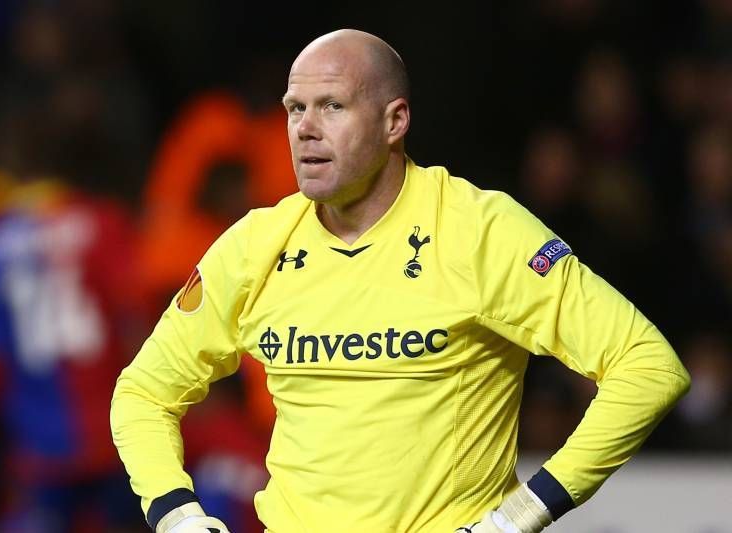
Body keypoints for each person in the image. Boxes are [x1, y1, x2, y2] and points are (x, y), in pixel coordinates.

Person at [110, 29, 691, 533]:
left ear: (395, 121)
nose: (306, 129)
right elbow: (142, 394)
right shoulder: (255, 245)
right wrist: (178, 514)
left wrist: (522, 514)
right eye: (295, 108)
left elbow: (647, 368)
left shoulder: (478, 231)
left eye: (332, 106)